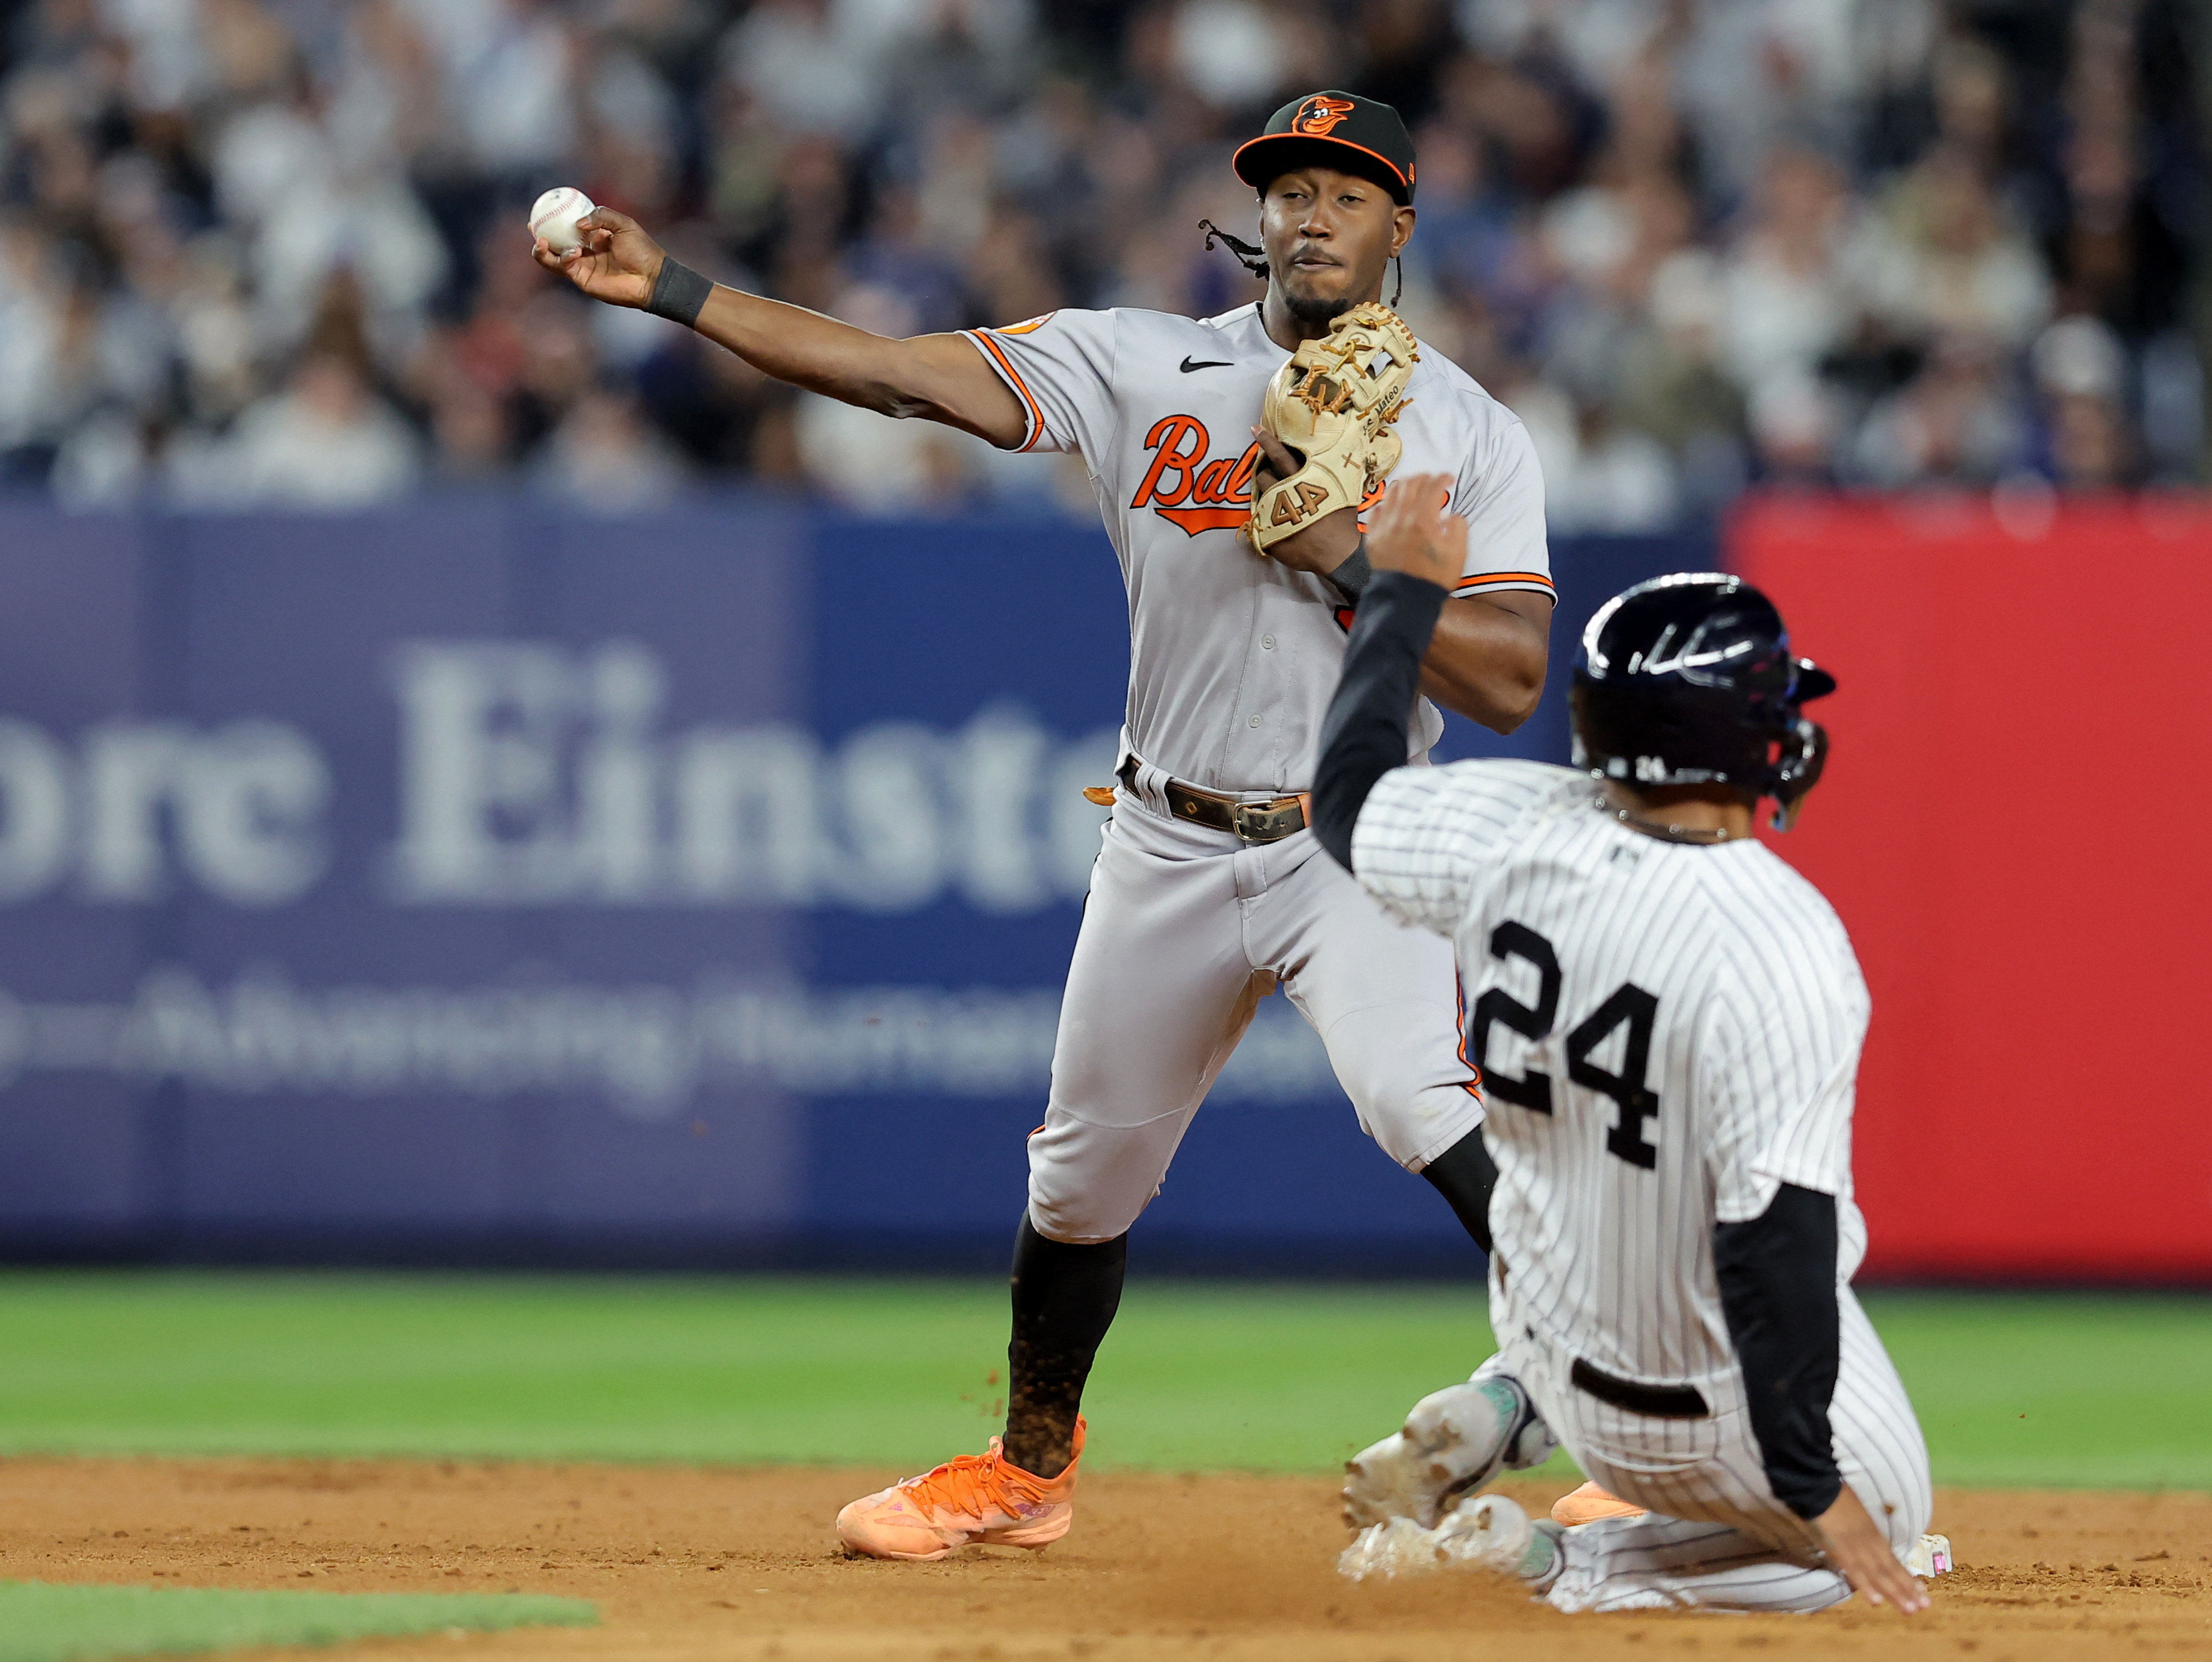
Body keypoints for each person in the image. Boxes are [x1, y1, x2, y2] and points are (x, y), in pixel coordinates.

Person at [533, 91, 1557, 1560]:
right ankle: (1028, 1473)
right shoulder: (1146, 361)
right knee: (1077, 1183)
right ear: (1256, 215)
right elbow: (893, 376)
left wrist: (1343, 552)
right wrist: (674, 290)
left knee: (1420, 1107)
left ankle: (1632, 1404)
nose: (1313, 211)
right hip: (1167, 836)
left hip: (1354, 836)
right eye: (1290, 187)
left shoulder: (1465, 427)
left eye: (1350, 189)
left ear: (1401, 222)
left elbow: (1512, 680)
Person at [1307, 483, 1941, 1615]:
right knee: (1889, 1540)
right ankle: (1559, 1564)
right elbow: (1774, 1247)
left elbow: (1345, 799)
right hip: (1701, 1413)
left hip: (1546, 1333)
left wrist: (1400, 588)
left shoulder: (1505, 824)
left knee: (1611, 1217)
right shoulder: (1780, 939)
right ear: (1751, 738)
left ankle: (1502, 1407)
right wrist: (1816, 1490)